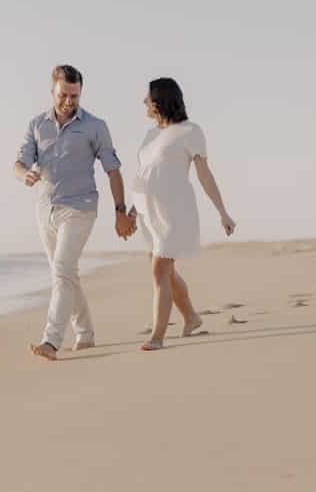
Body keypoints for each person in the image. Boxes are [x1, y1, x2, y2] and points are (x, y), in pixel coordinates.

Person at [14, 64, 135, 360]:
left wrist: (120, 211)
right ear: (52, 91)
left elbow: (113, 170)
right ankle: (85, 333)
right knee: (66, 273)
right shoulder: (36, 124)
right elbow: (19, 162)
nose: (70, 101)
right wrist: (24, 175)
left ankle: (51, 341)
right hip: (45, 209)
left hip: (80, 208)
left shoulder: (95, 126)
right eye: (64, 95)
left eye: (75, 95)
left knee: (62, 273)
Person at [128, 77, 235, 351]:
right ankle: (191, 317)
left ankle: (157, 336)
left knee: (159, 270)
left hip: (174, 212)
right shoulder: (150, 135)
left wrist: (222, 212)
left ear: (159, 100)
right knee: (166, 271)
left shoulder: (190, 131)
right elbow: (144, 175)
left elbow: (204, 175)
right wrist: (131, 209)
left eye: (146, 97)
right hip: (147, 213)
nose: (143, 102)